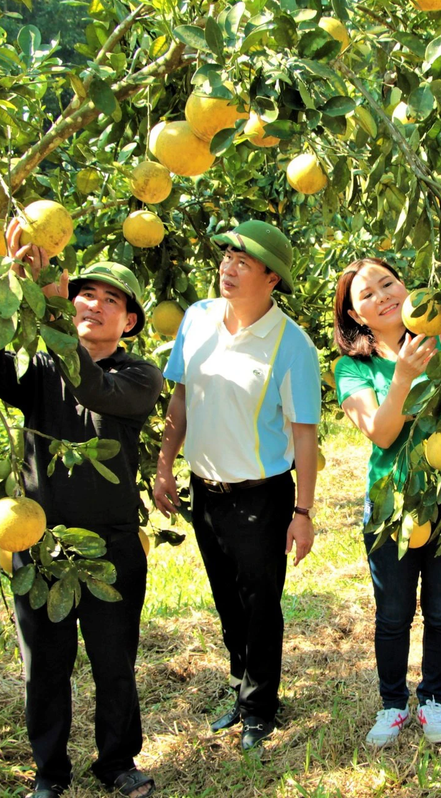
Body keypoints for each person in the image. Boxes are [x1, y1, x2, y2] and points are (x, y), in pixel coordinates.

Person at [0, 222, 163, 798]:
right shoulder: (39, 373)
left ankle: (117, 762)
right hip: (39, 543)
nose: (94, 305)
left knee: (113, 663)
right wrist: (9, 281)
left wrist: (53, 325)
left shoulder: (139, 376)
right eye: (86, 294)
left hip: (113, 546)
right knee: (45, 669)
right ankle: (49, 774)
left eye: (112, 301)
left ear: (128, 323)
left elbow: (93, 389)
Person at [152, 219, 321, 751]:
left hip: (260, 496)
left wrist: (303, 512)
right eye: (226, 256)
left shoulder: (292, 345)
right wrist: (164, 465)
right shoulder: (197, 318)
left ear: (272, 279)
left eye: (242, 262)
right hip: (205, 490)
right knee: (227, 599)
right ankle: (240, 687)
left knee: (260, 602)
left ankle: (260, 709)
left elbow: (304, 436)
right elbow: (179, 399)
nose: (227, 267)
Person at [331, 258, 441, 748]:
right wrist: (404, 376)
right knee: (392, 614)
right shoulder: (351, 367)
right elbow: (381, 431)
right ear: (355, 315)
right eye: (366, 295)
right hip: (391, 507)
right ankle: (392, 704)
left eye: (388, 283)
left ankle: (433, 698)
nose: (382, 296)